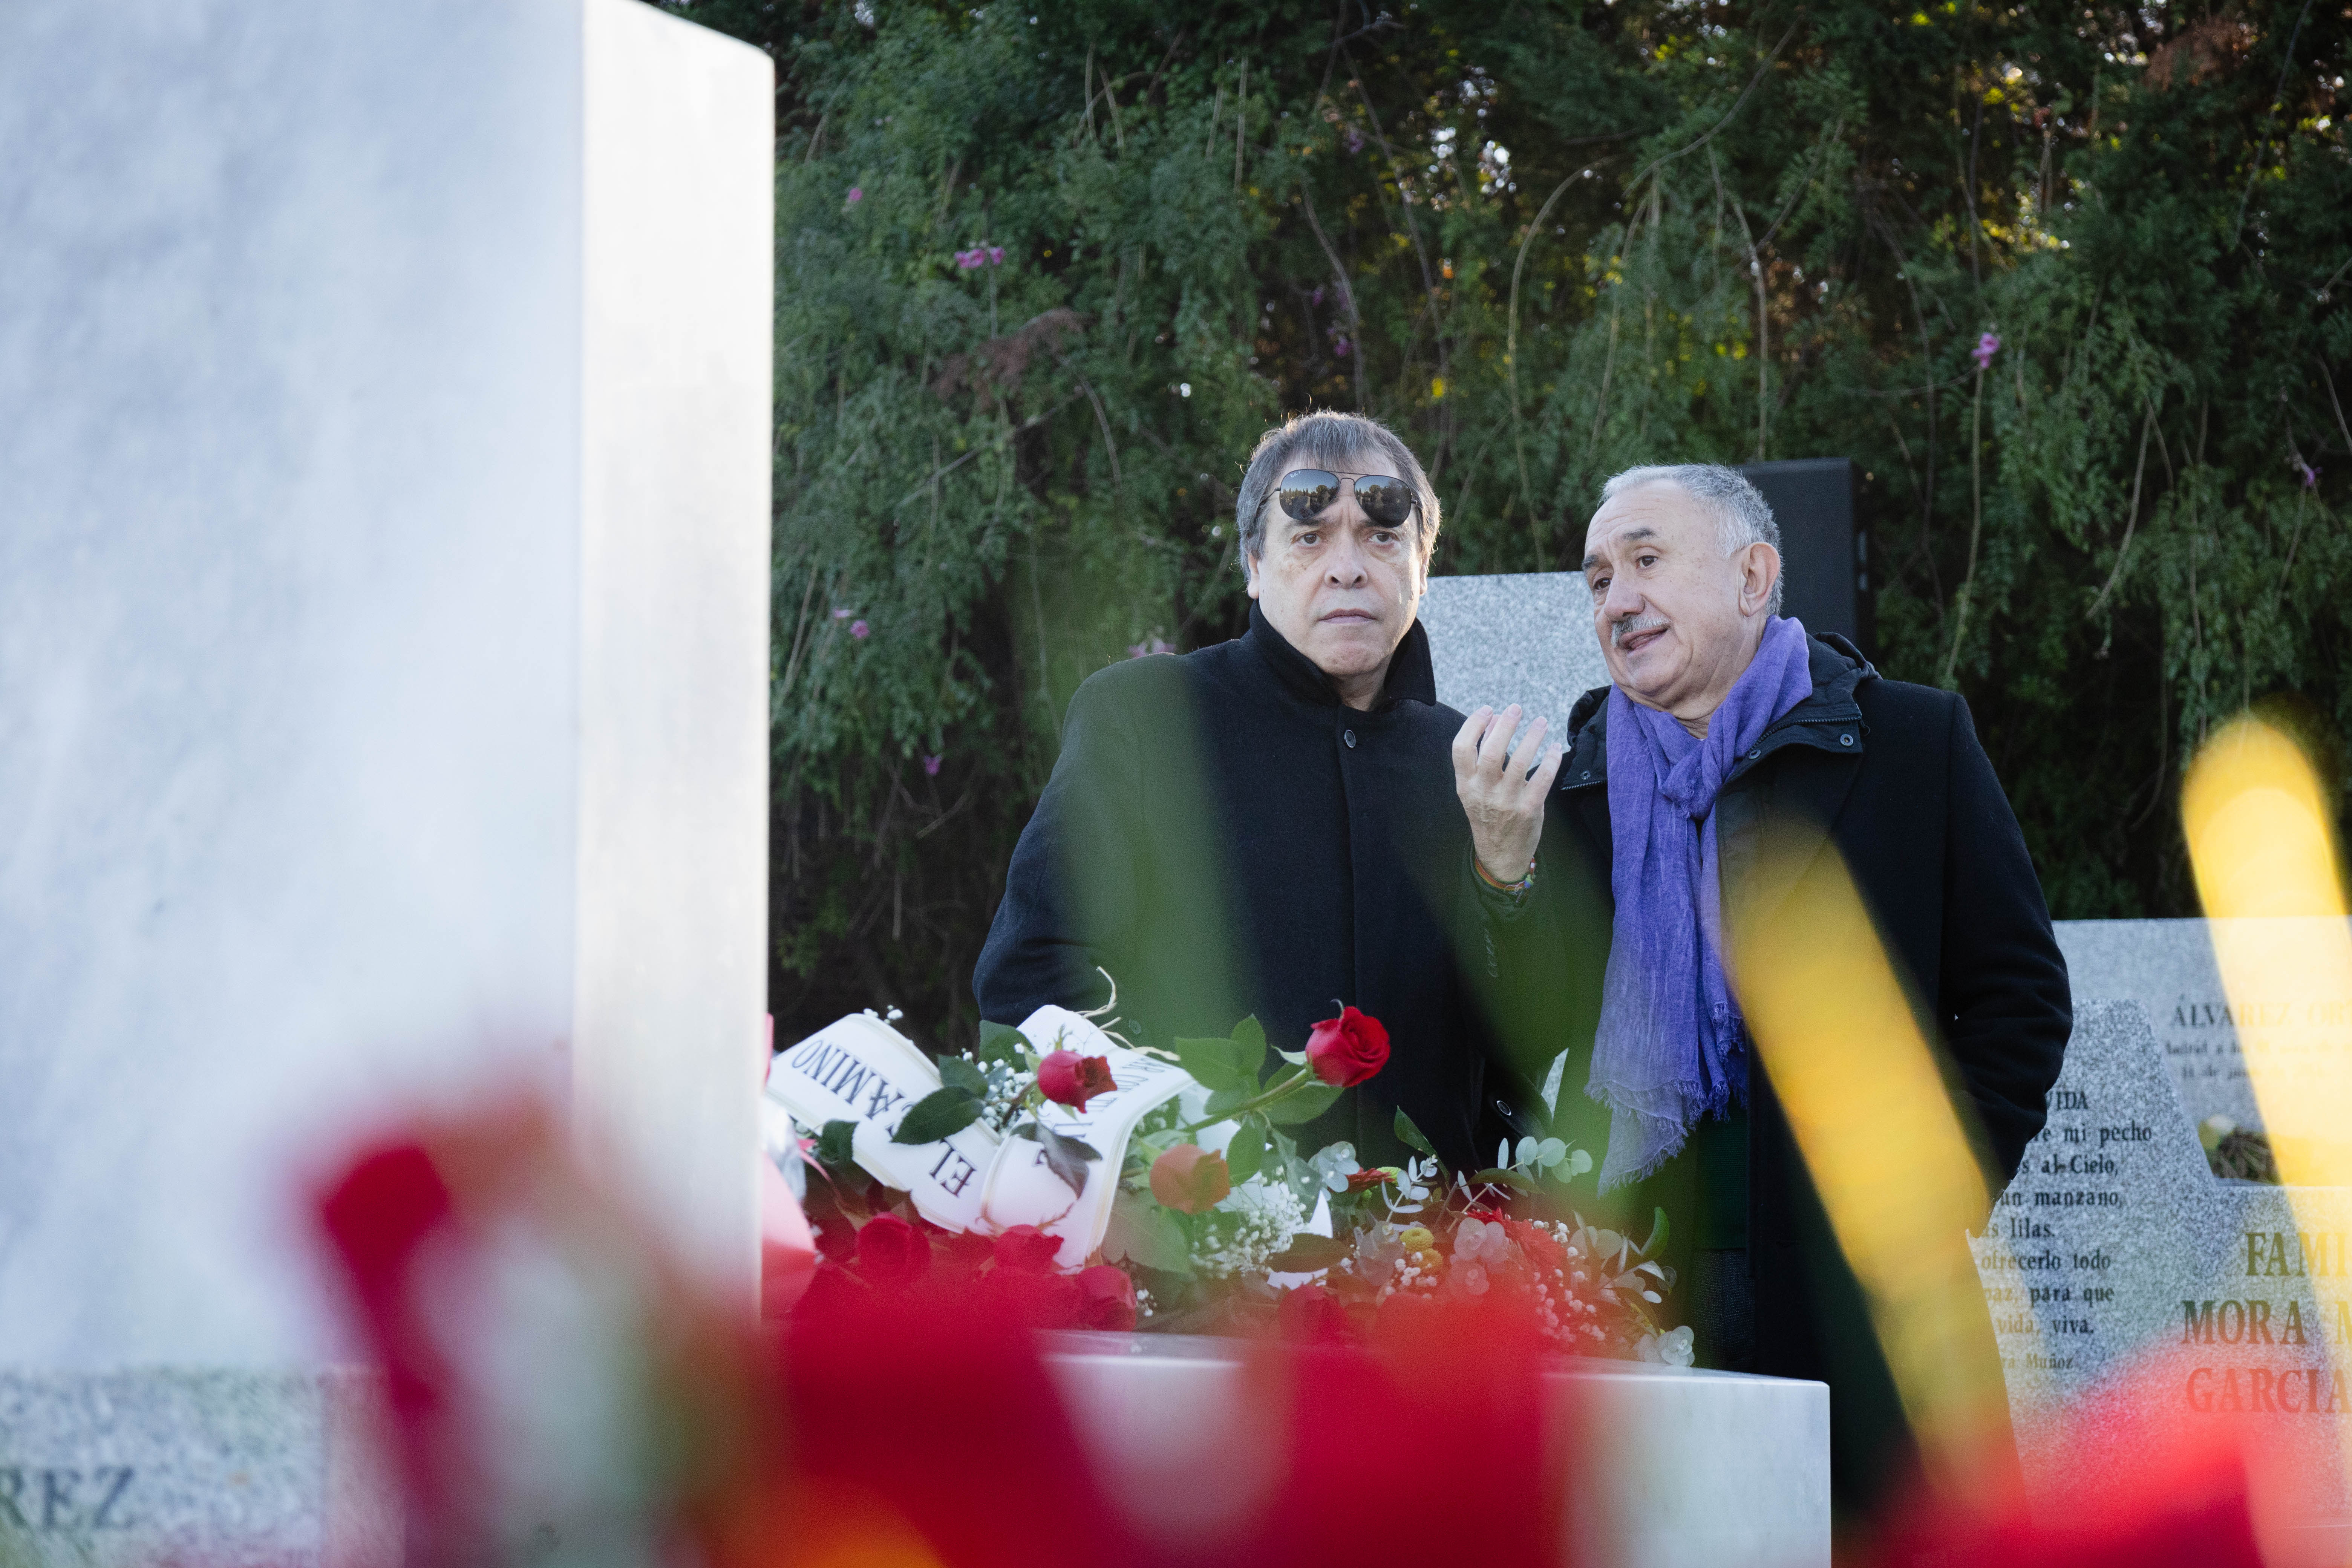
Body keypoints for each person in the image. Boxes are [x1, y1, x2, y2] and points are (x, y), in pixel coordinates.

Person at [1454, 462, 2070, 1503]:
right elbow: (1527, 1034)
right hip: (1644, 1276)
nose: (1617, 598)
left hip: (1870, 1297)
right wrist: (1501, 879)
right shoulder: (1580, 790)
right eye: (1598, 578)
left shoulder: (1910, 745)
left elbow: (2018, 999)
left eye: (1647, 561)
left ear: (1753, 577)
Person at [975, 411, 1549, 1170]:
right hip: (1202, 1251)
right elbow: (1035, 976)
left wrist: (1507, 881)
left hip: (1428, 1264)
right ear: (1253, 562)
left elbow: (1537, 1039)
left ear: (1422, 566)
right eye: (1310, 537)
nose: (1347, 566)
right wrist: (1170, 1175)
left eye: (1381, 537)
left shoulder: (1473, 764)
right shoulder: (1149, 719)